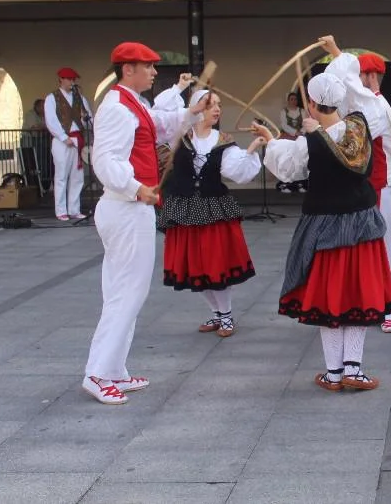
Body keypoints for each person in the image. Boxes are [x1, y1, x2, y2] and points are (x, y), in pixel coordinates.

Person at [257, 72, 391, 393]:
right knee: (359, 293)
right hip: (361, 224)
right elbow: (372, 112)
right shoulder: (359, 126)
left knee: (330, 298)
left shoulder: (309, 142)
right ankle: (353, 370)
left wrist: (272, 141)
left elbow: (286, 169)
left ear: (311, 103)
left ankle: (335, 373)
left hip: (324, 228)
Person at [83, 43, 207, 405]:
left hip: (128, 206)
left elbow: (158, 125)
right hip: (125, 207)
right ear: (128, 69)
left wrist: (191, 112)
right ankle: (97, 373)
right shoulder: (117, 107)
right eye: (148, 66)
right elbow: (105, 159)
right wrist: (136, 187)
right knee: (127, 293)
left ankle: (113, 370)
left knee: (123, 292)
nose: (154, 72)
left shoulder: (130, 102)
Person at [156, 89, 265, 338]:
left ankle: (226, 315)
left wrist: (251, 149)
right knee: (194, 267)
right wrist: (177, 89)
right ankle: (217, 313)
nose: (216, 109)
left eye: (218, 105)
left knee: (216, 265)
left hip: (213, 210)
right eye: (210, 105)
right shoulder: (179, 136)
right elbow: (159, 114)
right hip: (184, 211)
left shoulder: (223, 140)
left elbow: (235, 171)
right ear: (197, 109)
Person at [358, 51, 391, 333]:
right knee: (367, 250)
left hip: (384, 184)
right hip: (369, 185)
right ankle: (374, 303)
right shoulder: (368, 104)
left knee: (387, 248)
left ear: (371, 76)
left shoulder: (379, 106)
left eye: (359, 76)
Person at [44, 67, 92, 220]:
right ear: (61, 79)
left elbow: (88, 118)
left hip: (78, 139)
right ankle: (61, 210)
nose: (72, 82)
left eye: (73, 79)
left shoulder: (80, 98)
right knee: (61, 176)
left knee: (77, 177)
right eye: (69, 79)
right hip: (62, 141)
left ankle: (74, 209)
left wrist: (86, 119)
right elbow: (51, 120)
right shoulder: (52, 98)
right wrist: (64, 137)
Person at [277, 92, 304, 194]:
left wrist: (301, 132)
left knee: (300, 161)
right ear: (288, 101)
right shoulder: (284, 111)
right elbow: (284, 125)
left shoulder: (302, 111)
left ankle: (299, 184)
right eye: (291, 99)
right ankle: (285, 184)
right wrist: (295, 132)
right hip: (287, 138)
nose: (293, 101)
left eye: (295, 99)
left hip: (299, 138)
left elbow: (305, 123)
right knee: (287, 162)